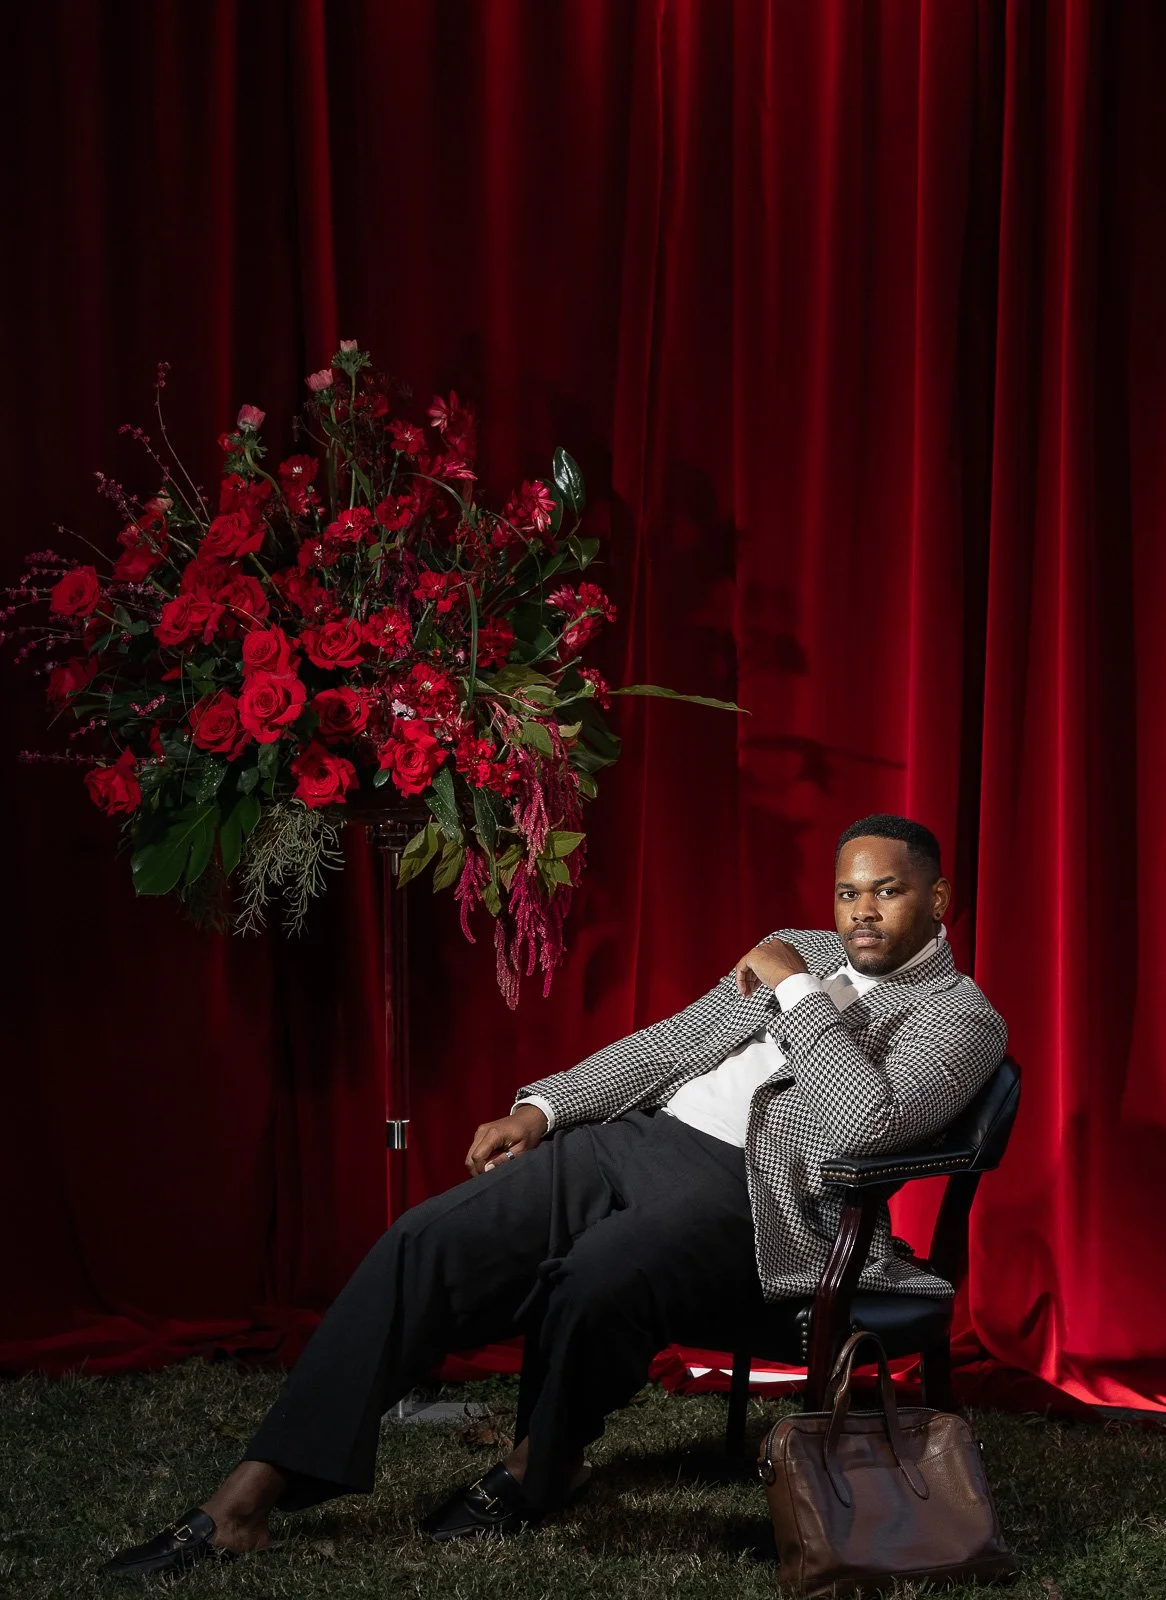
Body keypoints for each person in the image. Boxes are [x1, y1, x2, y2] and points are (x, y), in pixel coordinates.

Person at [104, 813, 1006, 1578]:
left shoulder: (959, 1018)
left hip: (758, 1199)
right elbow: (667, 1046)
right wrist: (543, 1109)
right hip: (633, 1143)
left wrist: (799, 991)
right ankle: (248, 1495)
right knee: (430, 1240)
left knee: (597, 1275)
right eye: (848, 893)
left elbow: (860, 1123)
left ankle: (544, 1465)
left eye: (885, 892)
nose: (858, 912)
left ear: (937, 901)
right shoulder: (797, 947)